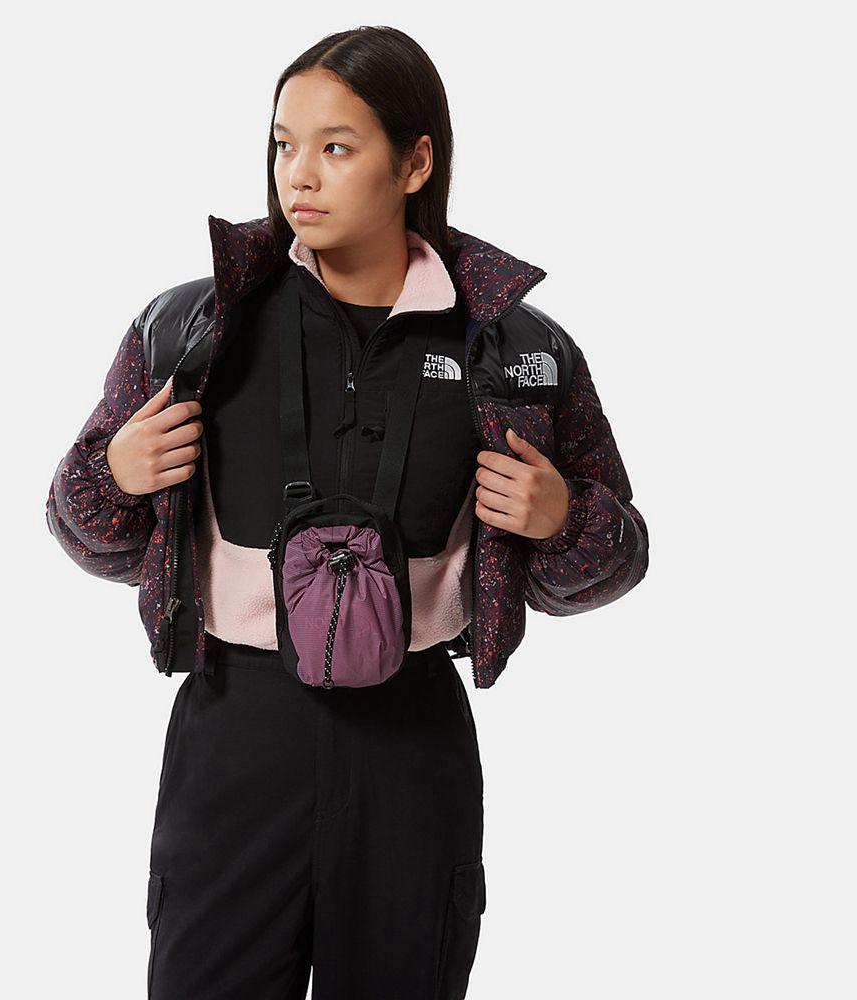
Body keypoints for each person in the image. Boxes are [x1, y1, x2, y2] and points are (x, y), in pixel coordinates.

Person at [46, 25, 649, 1000]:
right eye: (284, 143)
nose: (299, 174)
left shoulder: (516, 347)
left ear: (415, 162)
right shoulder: (194, 325)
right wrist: (116, 475)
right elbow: (91, 533)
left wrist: (562, 519)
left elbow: (617, 558)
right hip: (236, 729)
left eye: (336, 146)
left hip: (412, 738)